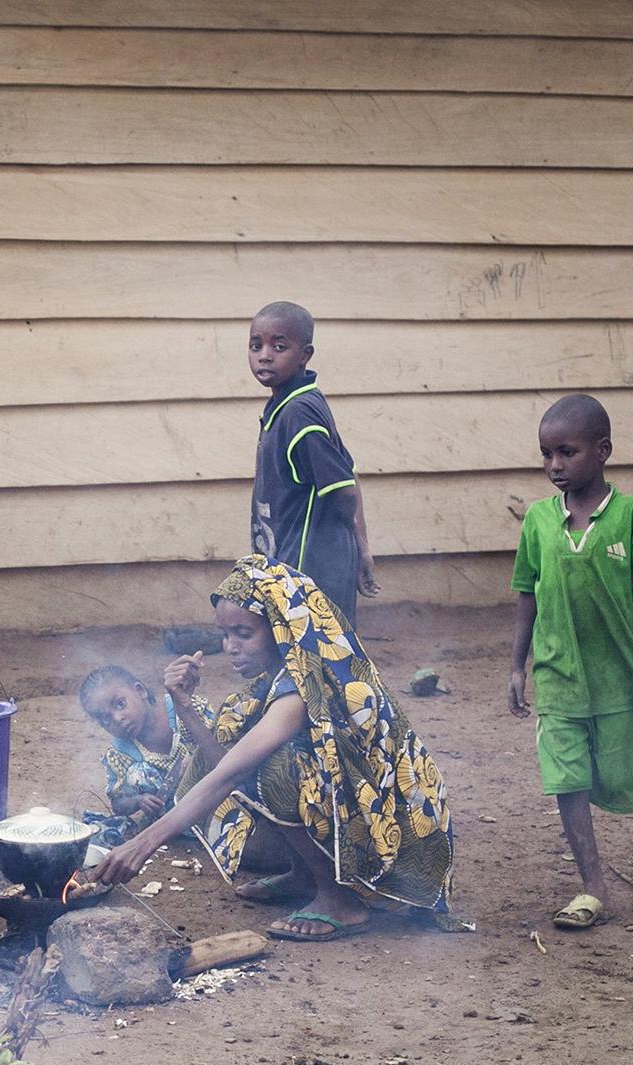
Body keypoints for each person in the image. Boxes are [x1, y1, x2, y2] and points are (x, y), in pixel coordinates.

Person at [96, 557, 453, 941]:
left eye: (242, 634)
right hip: (361, 809)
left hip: (401, 835)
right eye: (224, 635)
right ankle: (306, 876)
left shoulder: (303, 684)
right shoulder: (277, 675)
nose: (230, 648)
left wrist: (144, 843)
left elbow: (234, 773)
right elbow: (222, 766)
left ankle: (341, 901)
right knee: (235, 754)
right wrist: (184, 706)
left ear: (280, 627)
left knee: (275, 769)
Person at [508, 393, 633, 931]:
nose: (554, 466)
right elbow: (526, 595)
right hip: (557, 680)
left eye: (567, 452)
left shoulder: (631, 517)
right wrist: (517, 665)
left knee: (625, 784)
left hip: (616, 683)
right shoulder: (538, 520)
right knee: (568, 781)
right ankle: (592, 889)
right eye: (546, 455)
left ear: (603, 450)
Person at [248, 301, 378, 620]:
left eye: (279, 346)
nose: (265, 354)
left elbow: (343, 490)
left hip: (313, 573)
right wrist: (361, 546)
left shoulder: (299, 414)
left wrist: (354, 548)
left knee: (321, 661)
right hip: (289, 569)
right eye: (256, 345)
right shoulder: (289, 405)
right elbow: (349, 470)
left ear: (305, 355)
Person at [77, 663, 221, 848]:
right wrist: (138, 801)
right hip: (174, 822)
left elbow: (222, 747)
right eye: (105, 719)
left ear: (140, 691)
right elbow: (118, 803)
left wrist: (188, 714)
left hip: (214, 798)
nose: (117, 719)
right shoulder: (120, 753)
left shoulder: (186, 707)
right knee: (138, 773)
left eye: (120, 704)